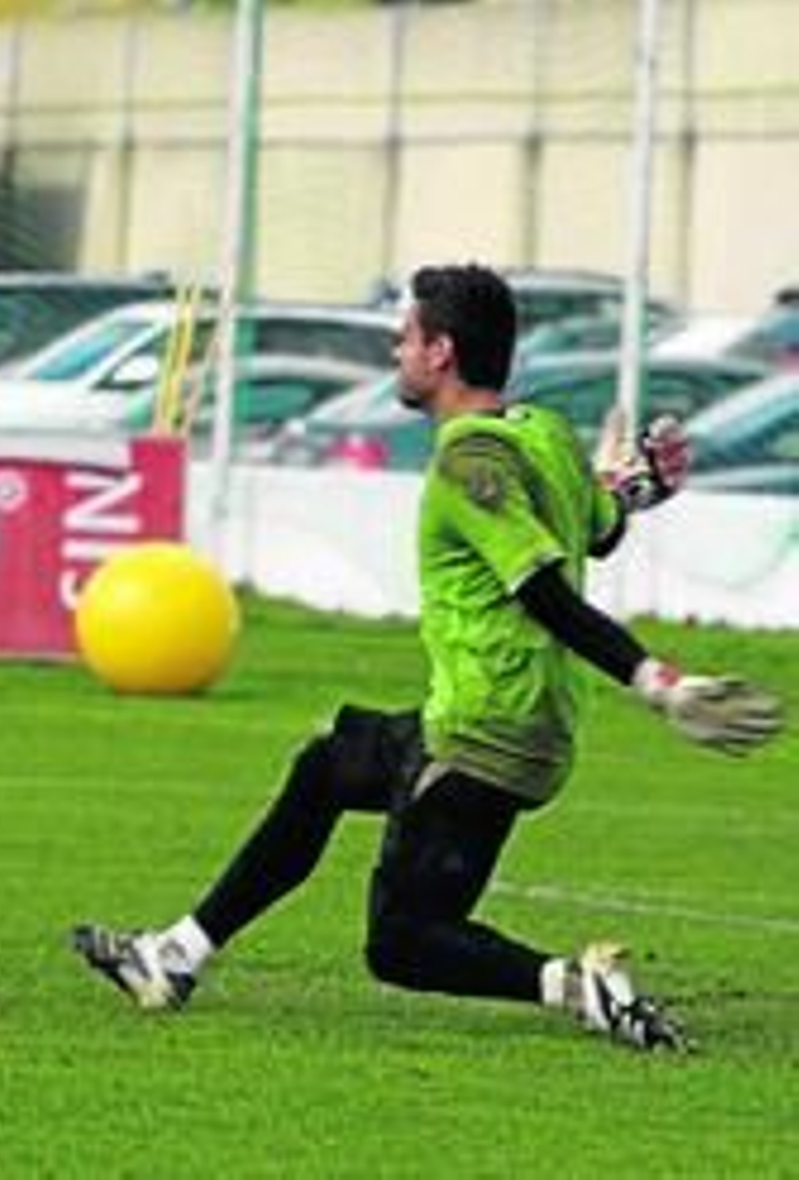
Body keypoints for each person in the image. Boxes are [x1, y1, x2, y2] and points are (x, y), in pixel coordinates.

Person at [73, 263, 784, 1050]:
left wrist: (658, 683)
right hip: (502, 719)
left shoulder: (468, 463)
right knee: (331, 765)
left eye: (405, 337)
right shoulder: (540, 430)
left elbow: (546, 593)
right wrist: (641, 488)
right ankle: (174, 956)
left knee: (404, 944)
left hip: (487, 735)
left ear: (441, 351)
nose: (395, 352)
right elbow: (600, 527)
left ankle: (579, 986)